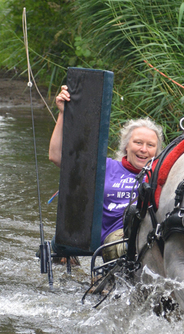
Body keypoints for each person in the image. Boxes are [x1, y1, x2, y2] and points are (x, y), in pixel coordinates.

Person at [49, 85, 164, 261]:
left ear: (157, 151)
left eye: (150, 145)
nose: (143, 150)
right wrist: (63, 114)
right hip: (110, 241)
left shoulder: (161, 175)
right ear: (126, 145)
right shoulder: (105, 167)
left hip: (144, 240)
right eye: (138, 143)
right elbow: (57, 157)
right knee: (120, 246)